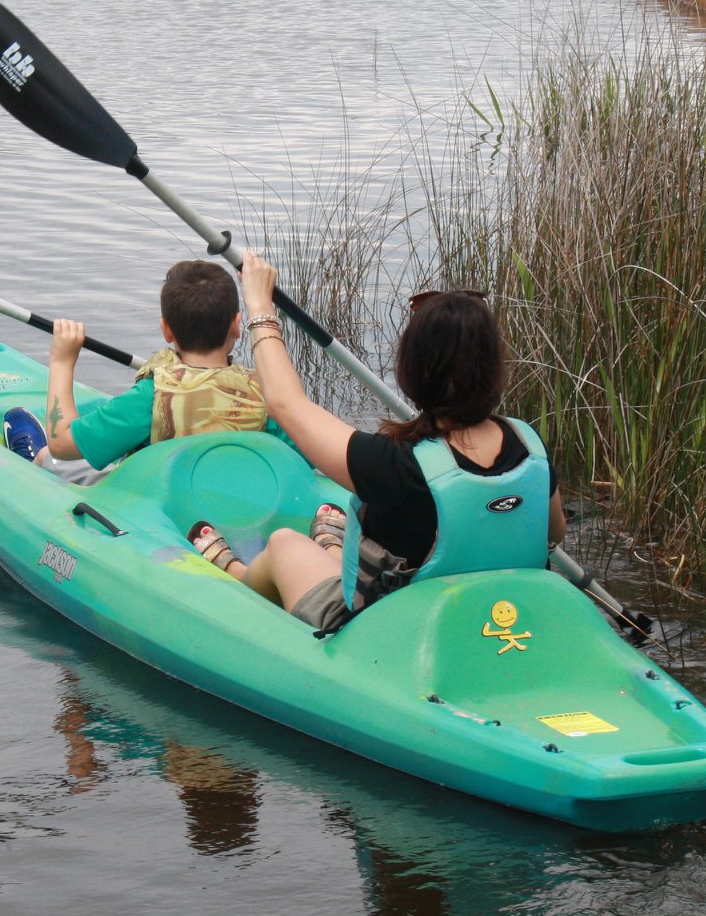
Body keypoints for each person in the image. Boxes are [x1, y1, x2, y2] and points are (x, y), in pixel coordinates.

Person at [189, 251, 565, 632]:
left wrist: (258, 304)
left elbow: (286, 404)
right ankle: (334, 549)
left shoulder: (395, 464)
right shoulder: (529, 445)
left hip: (396, 637)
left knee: (285, 543)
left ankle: (237, 573)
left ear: (412, 369)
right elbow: (554, 533)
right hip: (502, 621)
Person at [4, 260, 287, 470]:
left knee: (60, 461)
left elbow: (62, 444)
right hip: (236, 504)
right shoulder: (272, 396)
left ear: (167, 330)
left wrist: (62, 361)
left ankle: (36, 459)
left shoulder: (150, 398)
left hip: (157, 508)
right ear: (237, 326)